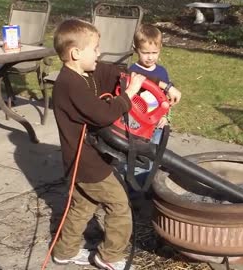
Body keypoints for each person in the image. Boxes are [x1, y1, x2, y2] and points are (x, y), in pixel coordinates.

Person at [50, 19, 181, 269]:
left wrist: (165, 86)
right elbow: (102, 113)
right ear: (76, 53)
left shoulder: (85, 73)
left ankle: (64, 251)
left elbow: (120, 73)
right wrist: (129, 95)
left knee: (82, 206)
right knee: (120, 207)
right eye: (95, 48)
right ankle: (109, 257)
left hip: (82, 160)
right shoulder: (70, 85)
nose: (99, 53)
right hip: (88, 162)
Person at [129, 24, 176, 144]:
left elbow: (166, 97)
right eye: (145, 53)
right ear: (136, 49)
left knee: (153, 151)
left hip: (157, 121)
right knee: (135, 150)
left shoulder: (162, 71)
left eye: (154, 53)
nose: (150, 57)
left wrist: (165, 116)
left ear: (160, 48)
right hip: (138, 122)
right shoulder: (133, 71)